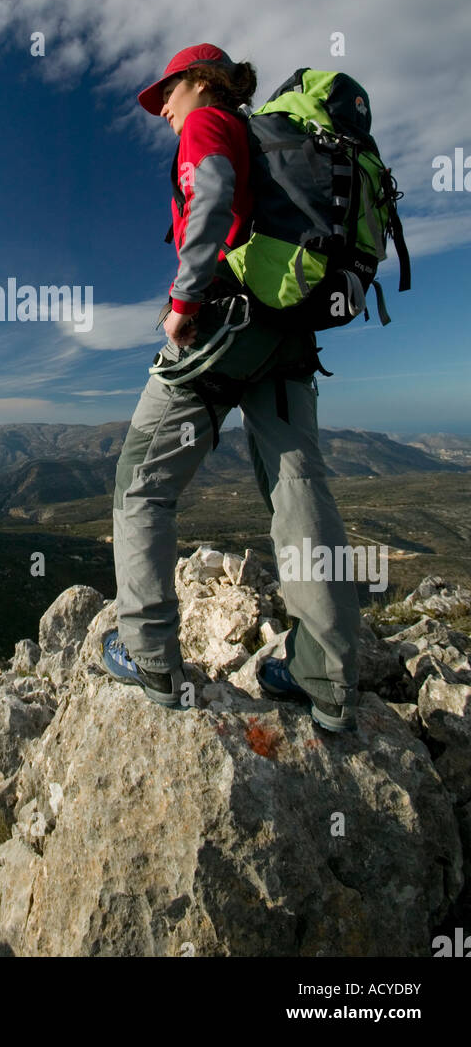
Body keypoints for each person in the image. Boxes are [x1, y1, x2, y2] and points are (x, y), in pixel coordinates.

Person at [100, 42, 361, 733]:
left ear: (197, 82)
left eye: (165, 96)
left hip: (224, 323)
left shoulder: (211, 123)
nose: (161, 111)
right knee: (299, 487)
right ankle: (328, 681)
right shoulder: (270, 140)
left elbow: (211, 189)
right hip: (289, 334)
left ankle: (151, 656)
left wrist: (184, 299)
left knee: (141, 483)